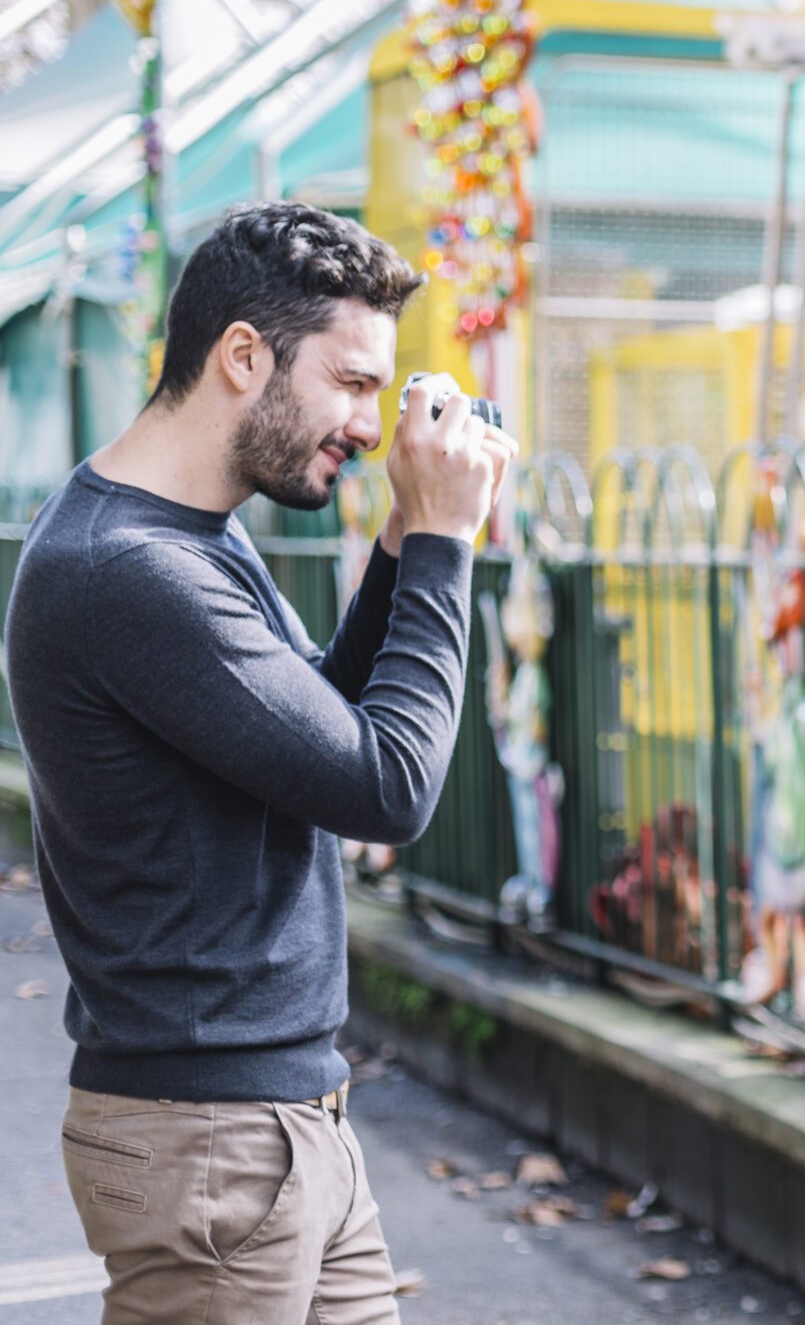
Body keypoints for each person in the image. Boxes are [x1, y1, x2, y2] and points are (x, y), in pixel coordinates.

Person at [3, 202, 515, 1324]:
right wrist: (443, 543)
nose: (371, 427)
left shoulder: (187, 537)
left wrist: (399, 542)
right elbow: (385, 786)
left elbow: (314, 724)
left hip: (277, 1127)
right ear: (244, 355)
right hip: (211, 1147)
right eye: (352, 383)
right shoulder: (127, 569)